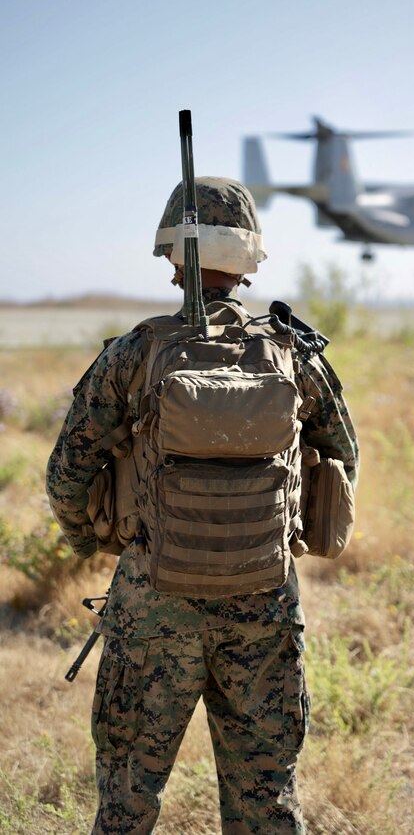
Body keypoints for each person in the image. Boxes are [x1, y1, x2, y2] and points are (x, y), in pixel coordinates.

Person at [46, 177, 359, 835]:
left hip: (152, 602)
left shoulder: (132, 355)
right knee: (266, 797)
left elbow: (68, 475)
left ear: (170, 256)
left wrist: (101, 541)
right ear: (249, 259)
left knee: (128, 800)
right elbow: (343, 458)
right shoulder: (292, 352)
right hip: (264, 607)